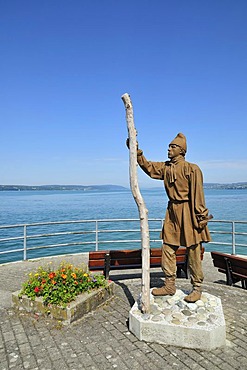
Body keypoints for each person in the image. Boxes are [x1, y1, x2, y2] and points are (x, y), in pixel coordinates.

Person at [127, 133, 212, 303]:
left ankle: (197, 287)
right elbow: (149, 167)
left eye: (172, 147)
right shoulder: (166, 168)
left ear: (181, 150)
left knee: (194, 251)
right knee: (167, 248)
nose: (168, 149)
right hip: (172, 212)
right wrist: (136, 151)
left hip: (189, 212)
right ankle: (169, 285)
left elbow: (198, 195)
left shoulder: (192, 169)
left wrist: (201, 216)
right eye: (169, 146)